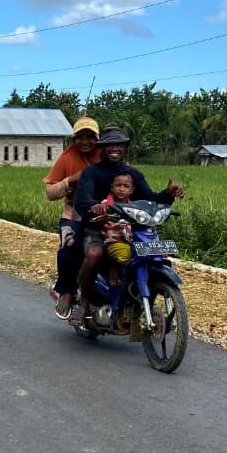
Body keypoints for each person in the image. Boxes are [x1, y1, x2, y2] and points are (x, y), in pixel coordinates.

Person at [72, 126, 185, 324]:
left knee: (149, 256)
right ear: (102, 148)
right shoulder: (91, 173)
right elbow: (81, 201)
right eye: (110, 145)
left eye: (120, 145)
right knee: (94, 255)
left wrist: (168, 194)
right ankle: (84, 302)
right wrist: (95, 207)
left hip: (129, 228)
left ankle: (138, 299)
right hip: (98, 227)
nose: (115, 148)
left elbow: (149, 200)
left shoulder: (133, 175)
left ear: (125, 148)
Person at [42, 116, 101, 318]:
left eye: (90, 137)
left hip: (102, 214)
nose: (85, 141)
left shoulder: (105, 156)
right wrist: (70, 180)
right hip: (73, 215)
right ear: (74, 139)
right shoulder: (67, 158)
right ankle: (66, 291)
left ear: (98, 138)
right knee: (69, 244)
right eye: (81, 137)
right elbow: (50, 193)